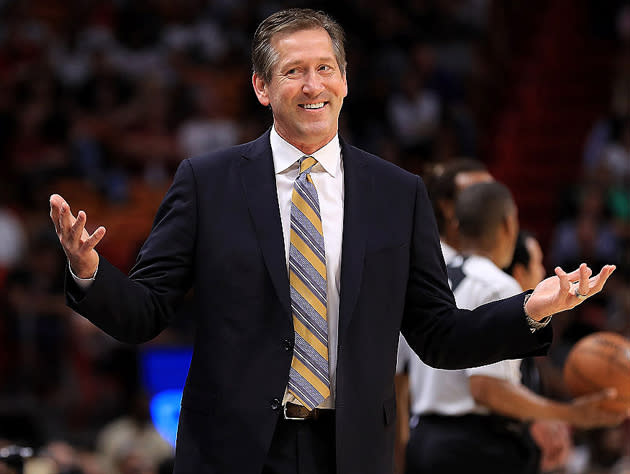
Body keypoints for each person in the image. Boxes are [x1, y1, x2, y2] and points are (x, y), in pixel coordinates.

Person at [49, 8, 619, 474]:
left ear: (345, 80)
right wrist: (89, 272)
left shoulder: (399, 193)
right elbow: (146, 312)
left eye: (325, 67)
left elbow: (438, 336)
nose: (313, 85)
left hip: (351, 452)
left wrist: (530, 310)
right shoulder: (207, 182)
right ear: (261, 86)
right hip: (235, 451)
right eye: (294, 70)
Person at [401, 182, 622, 474]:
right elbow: (486, 389)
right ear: (509, 223)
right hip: (474, 448)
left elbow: (399, 376)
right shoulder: (498, 284)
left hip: (423, 438)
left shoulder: (431, 280)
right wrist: (571, 414)